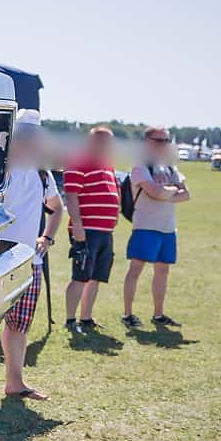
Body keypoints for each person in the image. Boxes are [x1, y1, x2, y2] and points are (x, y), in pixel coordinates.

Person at [0, 109, 61, 400]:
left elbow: (57, 208)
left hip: (29, 260)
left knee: (19, 325)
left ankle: (15, 384)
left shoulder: (43, 173)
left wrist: (48, 238)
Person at [121, 127, 191, 329]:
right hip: (145, 226)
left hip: (168, 228)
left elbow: (187, 194)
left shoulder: (169, 166)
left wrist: (164, 191)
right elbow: (154, 192)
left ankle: (158, 314)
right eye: (159, 140)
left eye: (166, 141)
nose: (164, 145)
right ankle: (128, 314)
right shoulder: (141, 165)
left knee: (163, 271)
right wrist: (170, 190)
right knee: (136, 269)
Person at [62, 126, 121, 334]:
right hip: (86, 230)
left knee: (96, 277)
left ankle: (86, 318)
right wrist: (77, 225)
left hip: (105, 231)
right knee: (80, 276)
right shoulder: (79, 161)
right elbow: (71, 195)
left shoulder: (108, 166)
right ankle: (70, 320)